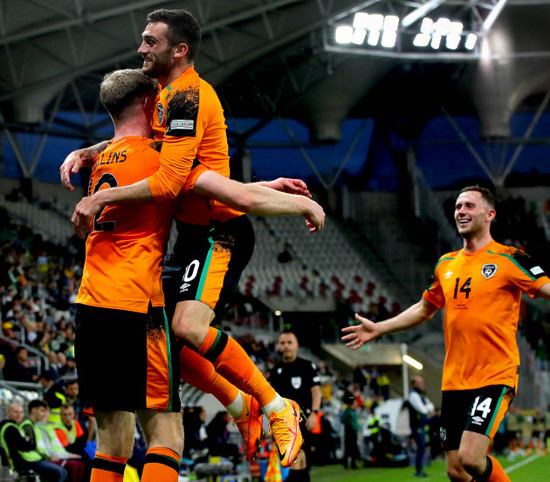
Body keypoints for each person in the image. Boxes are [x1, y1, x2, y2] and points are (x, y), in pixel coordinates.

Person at [60, 8, 325, 468]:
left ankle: (278, 407)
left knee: (184, 329)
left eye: (150, 42)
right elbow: (146, 144)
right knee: (167, 341)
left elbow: (173, 182)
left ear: (179, 49)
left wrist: (299, 203)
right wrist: (90, 148)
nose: (141, 48)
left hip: (219, 234)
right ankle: (241, 406)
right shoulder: (164, 98)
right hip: (192, 235)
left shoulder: (189, 97)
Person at [342, 185, 550, 482]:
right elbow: (423, 308)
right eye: (457, 207)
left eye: (469, 206)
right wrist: (380, 327)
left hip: (494, 374)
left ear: (490, 214)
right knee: (455, 470)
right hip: (455, 380)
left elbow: (546, 288)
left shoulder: (510, 258)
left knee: (471, 458)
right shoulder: (446, 264)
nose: (460, 212)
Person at [268, 331, 322, 482]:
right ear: (279, 346)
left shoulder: (307, 366)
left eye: (289, 342)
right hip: (284, 423)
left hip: (304, 419)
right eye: (283, 343)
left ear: (296, 345)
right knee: (295, 458)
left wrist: (314, 413)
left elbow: (316, 391)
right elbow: (270, 401)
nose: (286, 346)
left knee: (301, 460)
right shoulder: (276, 371)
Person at [0, 401, 68, 481]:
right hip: (25, 462)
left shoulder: (15, 426)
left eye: (21, 412)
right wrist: (27, 441)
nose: (19, 415)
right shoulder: (10, 428)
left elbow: (27, 444)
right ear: (8, 413)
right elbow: (26, 446)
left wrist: (27, 441)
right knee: (59, 472)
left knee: (62, 471)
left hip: (31, 459)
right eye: (16, 412)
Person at [22, 400, 85, 482]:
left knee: (83, 463)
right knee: (68, 468)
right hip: (42, 458)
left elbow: (80, 441)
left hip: (48, 456)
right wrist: (67, 456)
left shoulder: (46, 427)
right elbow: (39, 448)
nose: (45, 413)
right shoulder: (32, 426)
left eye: (46, 411)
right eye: (43, 411)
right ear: (34, 411)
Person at [408, 376, 434, 478]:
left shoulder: (421, 394)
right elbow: (422, 409)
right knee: (420, 447)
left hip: (423, 424)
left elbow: (430, 405)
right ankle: (418, 470)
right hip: (417, 425)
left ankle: (420, 469)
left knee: (422, 447)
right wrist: (427, 408)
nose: (422, 384)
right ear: (414, 384)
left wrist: (427, 408)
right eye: (420, 382)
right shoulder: (413, 395)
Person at [340, 392, 360, 470]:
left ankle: (351, 462)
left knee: (353, 448)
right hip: (349, 432)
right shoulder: (348, 411)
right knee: (350, 448)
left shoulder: (354, 411)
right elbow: (343, 420)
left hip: (354, 432)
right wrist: (349, 426)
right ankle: (349, 463)